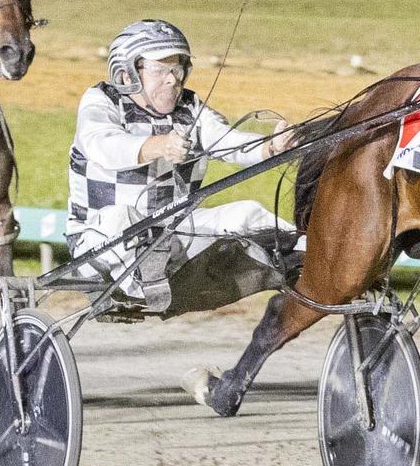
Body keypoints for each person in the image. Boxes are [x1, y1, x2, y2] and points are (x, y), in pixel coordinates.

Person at [65, 19, 297, 301]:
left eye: (177, 68)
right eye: (160, 69)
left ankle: (317, 261)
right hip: (97, 244)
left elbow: (224, 139)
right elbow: (102, 145)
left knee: (248, 213)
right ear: (126, 74)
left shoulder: (190, 107)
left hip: (172, 235)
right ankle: (147, 288)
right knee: (121, 218)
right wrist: (159, 146)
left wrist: (270, 147)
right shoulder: (102, 100)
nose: (173, 79)